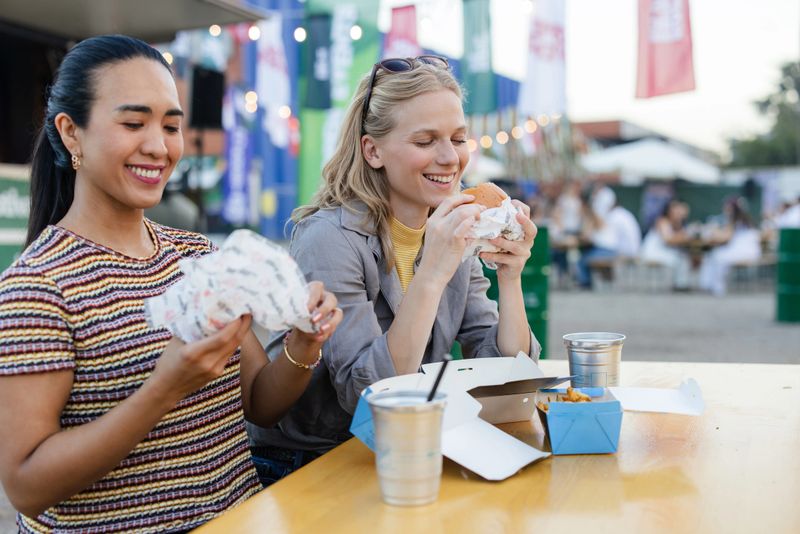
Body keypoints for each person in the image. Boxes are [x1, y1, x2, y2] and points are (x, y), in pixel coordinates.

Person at [0, 35, 342, 533]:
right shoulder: (36, 287)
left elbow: (260, 405)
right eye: (134, 123)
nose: (159, 146)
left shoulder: (196, 255)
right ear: (72, 133)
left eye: (171, 125)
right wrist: (163, 388)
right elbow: (27, 487)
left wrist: (304, 342)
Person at [247, 55, 540, 484]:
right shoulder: (329, 237)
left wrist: (510, 277)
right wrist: (433, 272)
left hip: (412, 448)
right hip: (313, 464)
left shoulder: (452, 227)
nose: (449, 158)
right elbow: (368, 396)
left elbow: (506, 374)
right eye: (425, 141)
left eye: (458, 139)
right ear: (373, 150)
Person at [699, 197, 762, 296]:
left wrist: (712, 233)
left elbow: (726, 237)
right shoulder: (744, 219)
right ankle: (709, 285)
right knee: (715, 254)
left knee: (718, 255)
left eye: (727, 208)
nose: (725, 210)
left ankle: (717, 288)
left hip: (744, 252)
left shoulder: (736, 220)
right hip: (749, 251)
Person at [639, 199, 692, 290]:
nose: (678, 211)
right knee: (678, 257)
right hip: (652, 252)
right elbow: (668, 240)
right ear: (668, 210)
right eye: (675, 209)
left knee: (683, 256)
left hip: (663, 251)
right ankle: (680, 285)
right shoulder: (662, 221)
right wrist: (686, 236)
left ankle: (681, 285)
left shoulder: (678, 224)